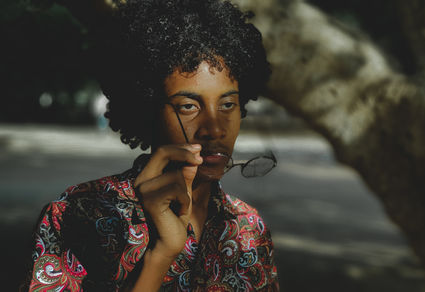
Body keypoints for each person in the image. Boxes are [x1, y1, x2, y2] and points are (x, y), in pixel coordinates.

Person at [24, 0, 278, 290]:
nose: (215, 129)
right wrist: (160, 255)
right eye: (187, 106)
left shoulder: (248, 229)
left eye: (228, 104)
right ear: (145, 109)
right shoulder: (79, 214)